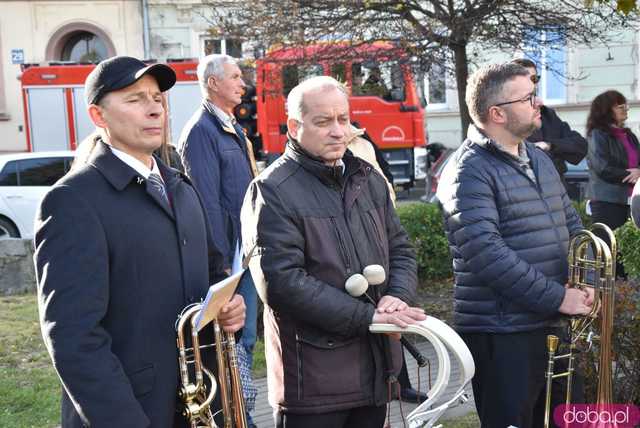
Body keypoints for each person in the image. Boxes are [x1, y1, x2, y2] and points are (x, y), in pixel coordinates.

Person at [34, 55, 246, 428]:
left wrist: (229, 310)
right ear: (99, 117)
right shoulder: (72, 200)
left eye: (157, 99)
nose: (154, 110)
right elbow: (74, 340)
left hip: (196, 406)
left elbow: (212, 276)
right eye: (134, 100)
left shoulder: (180, 187)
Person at [240, 76, 426, 428]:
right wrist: (368, 318)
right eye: (323, 122)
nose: (339, 131)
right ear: (295, 127)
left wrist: (397, 296)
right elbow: (282, 283)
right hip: (313, 385)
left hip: (374, 376)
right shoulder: (272, 190)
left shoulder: (367, 179)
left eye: (344, 119)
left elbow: (400, 248)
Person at [436, 62, 594, 428]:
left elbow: (572, 227)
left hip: (555, 323)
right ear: (497, 113)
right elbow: (486, 256)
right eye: (527, 97)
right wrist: (558, 297)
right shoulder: (466, 171)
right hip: (503, 333)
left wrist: (583, 283)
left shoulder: (538, 157)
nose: (537, 104)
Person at [178, 53, 258, 425]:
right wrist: (221, 261)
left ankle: (245, 411)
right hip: (230, 261)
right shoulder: (200, 132)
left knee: (248, 340)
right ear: (212, 83)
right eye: (236, 77)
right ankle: (237, 416)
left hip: (246, 254)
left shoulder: (230, 127)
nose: (243, 84)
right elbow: (206, 201)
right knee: (234, 346)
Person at [511, 58, 588, 188]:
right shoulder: (507, 116)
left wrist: (550, 145)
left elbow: (580, 145)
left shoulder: (547, 115)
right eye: (525, 79)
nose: (532, 84)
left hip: (557, 190)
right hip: (525, 190)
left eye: (535, 79)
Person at [586, 90, 640, 238]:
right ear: (606, 110)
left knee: (627, 255)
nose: (626, 109)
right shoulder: (597, 134)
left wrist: (639, 172)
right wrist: (632, 174)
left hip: (631, 201)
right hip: (606, 201)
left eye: (625, 105)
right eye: (620, 106)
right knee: (610, 252)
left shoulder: (630, 136)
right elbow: (602, 167)